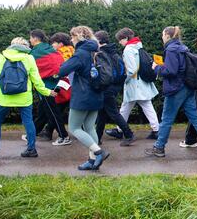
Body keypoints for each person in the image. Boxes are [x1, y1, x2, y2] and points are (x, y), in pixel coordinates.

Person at [145, 26, 197, 158]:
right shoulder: (182, 48)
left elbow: (171, 71)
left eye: (163, 34)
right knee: (194, 116)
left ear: (168, 36)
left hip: (175, 88)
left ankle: (159, 147)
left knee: (167, 119)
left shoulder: (171, 49)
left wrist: (157, 68)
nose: (162, 37)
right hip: (187, 86)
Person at [0, 37, 56, 161]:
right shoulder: (29, 58)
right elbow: (37, 80)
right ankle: (31, 149)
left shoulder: (0, 57)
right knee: (28, 122)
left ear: (11, 46)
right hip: (24, 98)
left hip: (4, 98)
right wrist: (47, 92)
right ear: (26, 47)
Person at [57, 26, 111, 170]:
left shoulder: (80, 53)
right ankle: (92, 161)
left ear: (79, 37)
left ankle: (99, 152)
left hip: (82, 96)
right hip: (97, 93)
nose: (71, 39)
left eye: (72, 36)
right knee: (89, 127)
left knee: (74, 128)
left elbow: (62, 70)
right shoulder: (95, 50)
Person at [110, 28, 161, 141]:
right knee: (134, 106)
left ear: (125, 38)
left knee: (132, 106)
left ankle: (120, 130)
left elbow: (131, 70)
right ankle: (156, 130)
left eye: (120, 40)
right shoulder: (138, 46)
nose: (119, 42)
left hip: (133, 84)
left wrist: (122, 80)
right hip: (141, 82)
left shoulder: (128, 49)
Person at [93, 31, 136, 146]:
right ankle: (97, 138)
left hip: (106, 87)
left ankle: (129, 134)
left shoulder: (101, 54)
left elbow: (103, 74)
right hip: (116, 86)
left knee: (113, 113)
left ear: (99, 41)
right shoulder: (113, 52)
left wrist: (98, 85)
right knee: (102, 113)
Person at [29, 29, 64, 142]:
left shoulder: (35, 52)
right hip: (57, 83)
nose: (30, 40)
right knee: (43, 110)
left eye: (30, 38)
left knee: (52, 112)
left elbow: (33, 69)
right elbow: (60, 65)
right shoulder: (51, 49)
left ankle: (64, 135)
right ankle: (33, 132)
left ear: (35, 38)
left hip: (45, 86)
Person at [48, 32, 73, 146]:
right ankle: (48, 130)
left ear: (60, 44)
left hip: (62, 85)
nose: (52, 45)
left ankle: (63, 136)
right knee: (58, 109)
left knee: (56, 109)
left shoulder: (59, 54)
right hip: (74, 85)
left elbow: (58, 72)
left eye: (54, 43)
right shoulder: (74, 51)